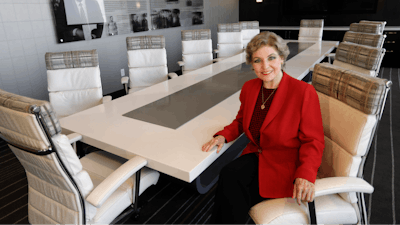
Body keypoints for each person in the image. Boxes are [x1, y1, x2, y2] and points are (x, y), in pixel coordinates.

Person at [202, 31, 325, 224]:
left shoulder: (303, 92)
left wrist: (306, 174)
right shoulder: (250, 88)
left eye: (271, 58)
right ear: (251, 64)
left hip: (285, 164)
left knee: (233, 187)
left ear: (282, 58)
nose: (265, 66)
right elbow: (242, 121)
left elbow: (314, 140)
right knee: (229, 176)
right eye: (258, 60)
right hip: (258, 155)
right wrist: (223, 136)